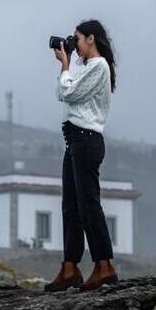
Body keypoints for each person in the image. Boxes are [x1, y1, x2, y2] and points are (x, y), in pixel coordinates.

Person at [44, 19, 118, 292]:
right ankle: (69, 267)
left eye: (77, 39)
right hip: (75, 139)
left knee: (88, 204)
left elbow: (68, 92)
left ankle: (104, 266)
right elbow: (62, 92)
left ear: (91, 39)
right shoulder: (86, 67)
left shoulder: (99, 66)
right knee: (71, 206)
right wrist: (70, 62)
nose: (74, 44)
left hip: (86, 139)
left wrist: (65, 66)